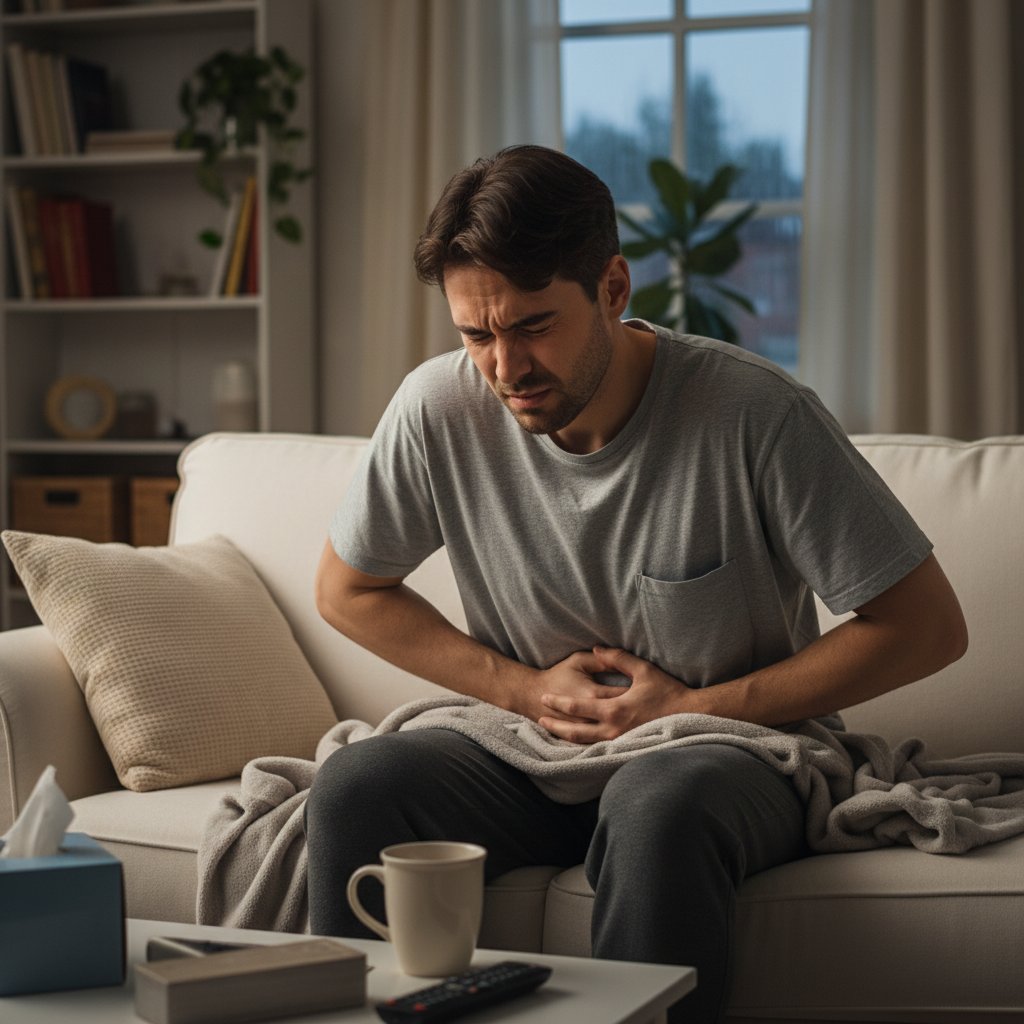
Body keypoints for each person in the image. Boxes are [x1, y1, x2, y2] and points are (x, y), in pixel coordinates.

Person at [307, 145, 967, 1023]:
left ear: (613, 289)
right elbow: (347, 589)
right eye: (476, 334)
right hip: (532, 755)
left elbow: (927, 624)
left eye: (533, 325)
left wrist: (696, 708)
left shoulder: (755, 414)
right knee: (359, 782)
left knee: (656, 803)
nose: (504, 367)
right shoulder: (438, 408)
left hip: (726, 758)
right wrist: (521, 688)